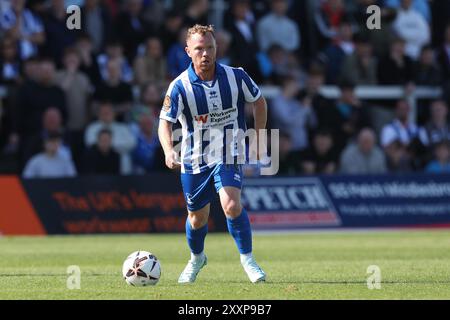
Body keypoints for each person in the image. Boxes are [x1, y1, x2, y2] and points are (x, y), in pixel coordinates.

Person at [158, 24, 267, 284]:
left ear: (217, 48)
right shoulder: (179, 86)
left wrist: (259, 136)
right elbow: (164, 122)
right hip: (195, 159)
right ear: (188, 51)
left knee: (231, 205)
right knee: (197, 218)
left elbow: (259, 101)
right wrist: (168, 150)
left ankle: (248, 260)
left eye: (210, 47)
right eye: (199, 49)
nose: (205, 53)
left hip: (229, 151)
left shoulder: (236, 76)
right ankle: (196, 259)